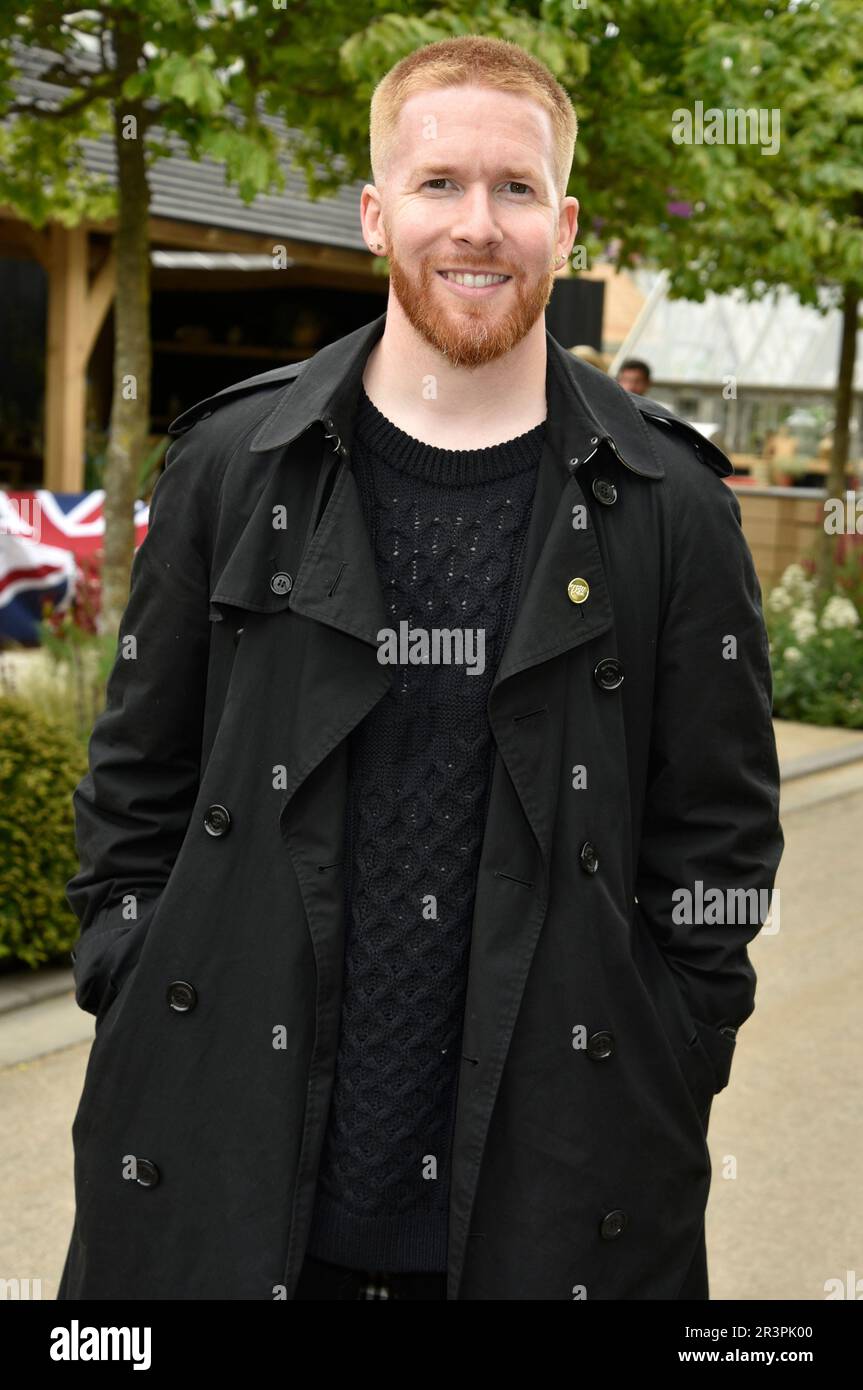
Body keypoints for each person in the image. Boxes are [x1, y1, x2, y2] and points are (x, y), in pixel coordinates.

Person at [58, 34, 783, 1302]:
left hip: (554, 1189)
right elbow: (137, 778)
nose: (477, 225)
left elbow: (715, 840)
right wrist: (131, 972)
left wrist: (671, 1047)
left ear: (563, 227)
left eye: (514, 190)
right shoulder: (236, 466)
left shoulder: (670, 505)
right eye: (440, 183)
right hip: (229, 1163)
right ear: (374, 211)